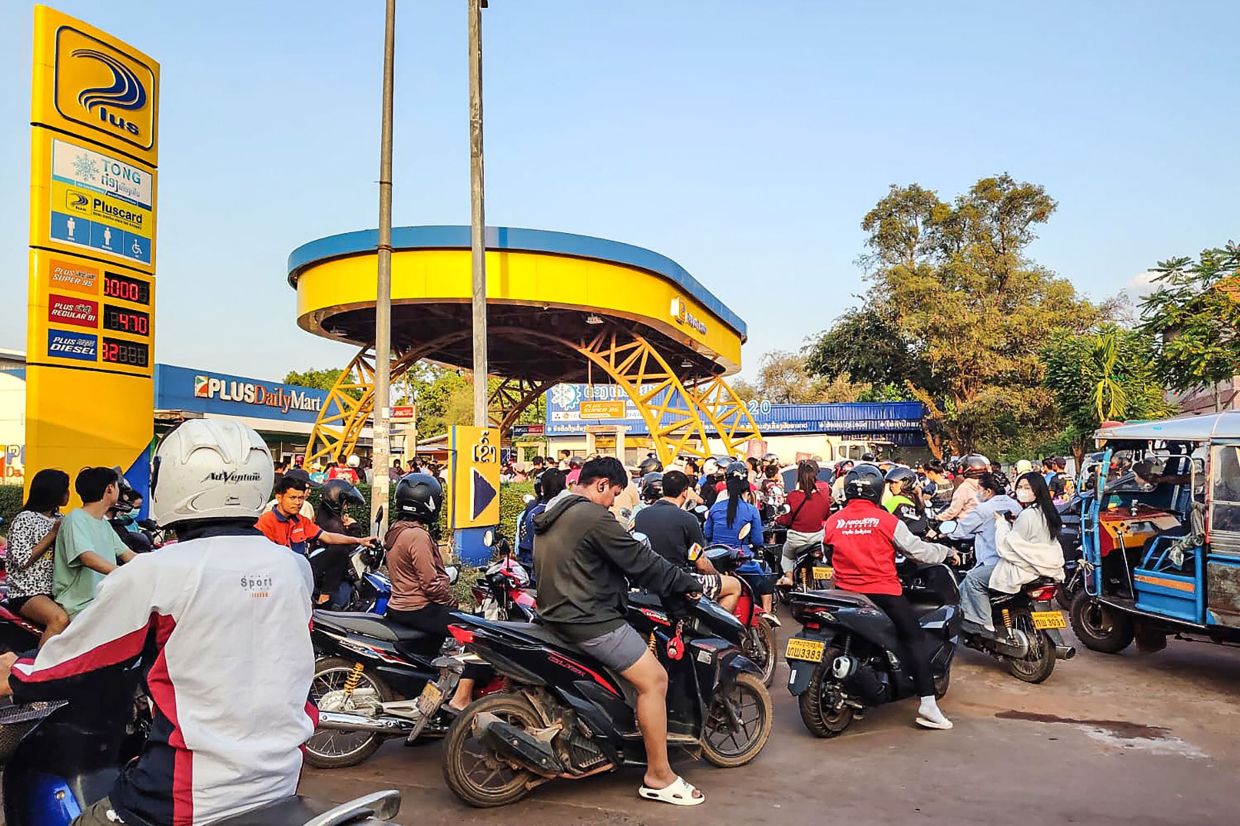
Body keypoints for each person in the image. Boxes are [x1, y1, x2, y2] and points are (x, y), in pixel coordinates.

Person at [11, 419, 318, 826]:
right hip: (278, 783)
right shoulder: (294, 567)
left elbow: (67, 664)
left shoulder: (159, 570)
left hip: (187, 795)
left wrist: (14, 668)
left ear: (172, 480)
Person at [533, 457, 704, 806]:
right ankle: (659, 775)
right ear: (600, 485)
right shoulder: (593, 518)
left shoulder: (555, 512)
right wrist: (686, 581)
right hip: (589, 620)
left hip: (554, 615)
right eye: (613, 494)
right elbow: (641, 561)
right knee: (654, 680)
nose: (613, 502)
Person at [823, 464, 958, 730]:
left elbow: (828, 554)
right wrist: (945, 552)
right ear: (877, 491)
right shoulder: (886, 520)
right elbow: (918, 551)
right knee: (914, 638)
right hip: (882, 591)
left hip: (844, 593)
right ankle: (928, 705)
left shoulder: (833, 521)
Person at [385, 473, 477, 712]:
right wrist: (454, 604)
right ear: (428, 502)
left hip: (400, 607)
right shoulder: (417, 536)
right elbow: (431, 583)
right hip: (418, 609)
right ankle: (462, 698)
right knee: (478, 631)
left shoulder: (396, 530)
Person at [960, 472, 1066, 637]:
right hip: (1048, 567)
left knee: (973, 579)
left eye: (1027, 488)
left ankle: (983, 624)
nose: (1022, 491)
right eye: (1020, 487)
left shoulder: (1027, 514)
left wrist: (1001, 524)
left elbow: (1008, 547)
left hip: (1025, 568)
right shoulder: (1047, 512)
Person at [256, 475, 376, 604]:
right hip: (280, 574)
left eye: (301, 498)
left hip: (303, 569)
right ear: (279, 497)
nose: (298, 503)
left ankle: (324, 600)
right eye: (293, 498)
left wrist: (359, 541)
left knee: (339, 551)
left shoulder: (301, 521)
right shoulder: (266, 521)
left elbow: (328, 536)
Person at [634, 470, 741, 613]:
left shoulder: (641, 515)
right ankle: (717, 629)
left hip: (649, 582)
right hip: (679, 582)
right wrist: (717, 574)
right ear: (685, 492)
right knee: (734, 585)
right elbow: (701, 563)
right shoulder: (688, 519)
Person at [53, 467, 135, 619]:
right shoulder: (75, 519)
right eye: (118, 486)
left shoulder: (104, 524)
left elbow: (127, 554)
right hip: (80, 604)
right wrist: (123, 573)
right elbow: (87, 557)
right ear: (110, 489)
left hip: (102, 600)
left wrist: (155, 565)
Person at [5, 469, 71, 646]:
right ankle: (39, 671)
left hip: (57, 590)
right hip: (27, 593)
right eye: (66, 489)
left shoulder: (62, 518)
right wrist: (53, 534)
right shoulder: (25, 519)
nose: (68, 493)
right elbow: (22, 560)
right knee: (59, 619)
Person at [775, 460, 832, 586]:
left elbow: (786, 520)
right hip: (818, 540)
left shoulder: (792, 496)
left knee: (786, 555)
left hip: (796, 540)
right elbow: (827, 516)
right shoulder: (823, 496)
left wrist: (777, 520)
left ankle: (789, 577)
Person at [948, 473, 1021, 567]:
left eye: (978, 489)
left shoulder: (983, 509)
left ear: (988, 491)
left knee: (969, 580)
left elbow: (960, 531)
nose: (977, 492)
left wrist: (945, 534)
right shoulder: (1015, 504)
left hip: (992, 563)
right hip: (1015, 562)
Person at [704, 463, 764, 553]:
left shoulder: (715, 508)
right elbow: (757, 541)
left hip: (716, 558)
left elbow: (708, 535)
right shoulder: (752, 510)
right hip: (742, 558)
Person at [517, 469, 566, 574]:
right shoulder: (567, 510)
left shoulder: (533, 511)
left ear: (542, 488)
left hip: (531, 561)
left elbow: (523, 534)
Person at [936, 454, 989, 522]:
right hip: (987, 523)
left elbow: (954, 510)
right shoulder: (989, 485)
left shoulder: (964, 487)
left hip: (968, 525)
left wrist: (939, 517)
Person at [883, 466, 930, 536]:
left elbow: (881, 517)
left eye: (895, 483)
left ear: (906, 483)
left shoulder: (896, 500)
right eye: (891, 483)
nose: (892, 486)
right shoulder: (916, 500)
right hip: (914, 539)